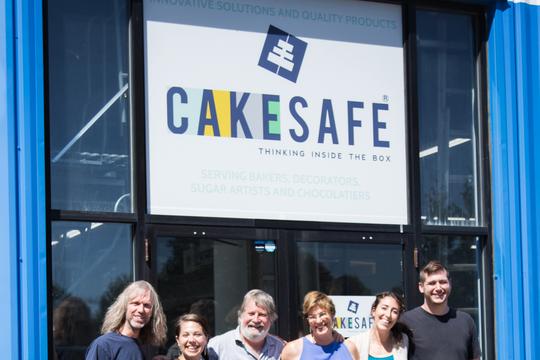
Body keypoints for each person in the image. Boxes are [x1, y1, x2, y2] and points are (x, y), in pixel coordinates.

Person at [399, 260, 481, 360]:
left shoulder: (466, 321)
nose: (438, 288)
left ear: (450, 284)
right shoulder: (406, 321)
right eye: (432, 283)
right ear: (421, 287)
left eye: (443, 282)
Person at [85, 280, 167, 359]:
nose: (141, 310)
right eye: (136, 303)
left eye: (146, 305)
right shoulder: (104, 345)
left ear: (152, 312)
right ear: (124, 307)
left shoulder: (140, 346)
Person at [280, 291, 359, 360]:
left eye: (322, 314)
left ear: (332, 315)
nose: (318, 321)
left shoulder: (349, 348)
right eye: (312, 317)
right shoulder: (293, 350)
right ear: (308, 320)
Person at [207, 289, 284, 360]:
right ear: (240, 316)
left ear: (271, 319)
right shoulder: (218, 345)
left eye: (262, 315)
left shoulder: (280, 348)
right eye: (251, 314)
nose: (256, 320)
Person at [349, 291, 408, 360]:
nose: (388, 315)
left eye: (394, 311)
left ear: (398, 318)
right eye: (384, 308)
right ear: (373, 311)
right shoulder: (355, 343)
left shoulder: (402, 340)